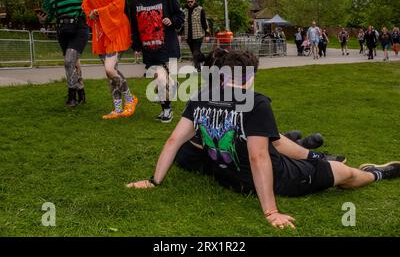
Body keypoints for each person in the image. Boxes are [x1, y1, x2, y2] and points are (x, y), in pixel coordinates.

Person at [126, 49, 400, 230]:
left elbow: (174, 140)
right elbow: (259, 157)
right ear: (251, 75)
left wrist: (153, 181)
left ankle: (315, 154)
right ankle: (376, 174)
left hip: (230, 176)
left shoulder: (200, 97)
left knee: (274, 141)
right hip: (276, 177)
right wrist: (271, 211)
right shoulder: (255, 103)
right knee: (345, 174)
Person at [82, 0, 138, 119]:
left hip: (116, 28)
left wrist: (98, 11)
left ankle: (130, 98)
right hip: (100, 31)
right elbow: (85, 2)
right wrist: (90, 12)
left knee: (109, 68)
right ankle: (118, 109)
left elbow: (118, 5)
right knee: (109, 73)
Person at [131, 0, 184, 123]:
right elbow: (134, 25)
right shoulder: (136, 0)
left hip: (167, 46)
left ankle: (167, 109)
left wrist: (172, 21)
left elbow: (180, 15)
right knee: (160, 80)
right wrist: (137, 46)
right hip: (149, 48)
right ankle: (168, 101)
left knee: (162, 80)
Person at [36, 0, 88, 107]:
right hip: (62, 30)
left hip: (79, 28)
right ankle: (81, 92)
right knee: (74, 63)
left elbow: (91, 3)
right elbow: (48, 16)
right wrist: (42, 19)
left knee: (68, 61)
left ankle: (71, 96)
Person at [182, 0, 209, 72]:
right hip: (188, 36)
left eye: (191, 1)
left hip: (198, 35)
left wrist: (207, 34)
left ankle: (198, 70)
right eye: (188, 2)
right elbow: (182, 24)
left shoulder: (200, 10)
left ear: (194, 1)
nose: (190, 3)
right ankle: (206, 60)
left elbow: (204, 23)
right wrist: (180, 34)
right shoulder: (184, 11)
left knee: (195, 53)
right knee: (196, 53)